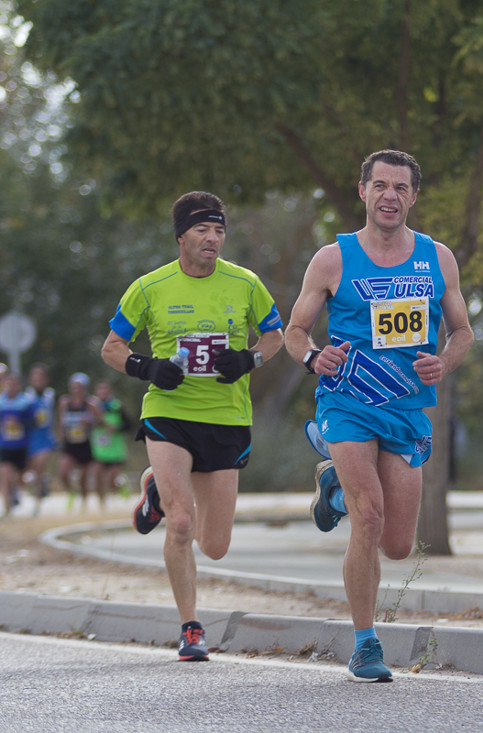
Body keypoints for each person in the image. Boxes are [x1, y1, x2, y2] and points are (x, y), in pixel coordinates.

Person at [285, 149, 473, 683]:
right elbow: (295, 331)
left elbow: (462, 331)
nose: (390, 195)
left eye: (401, 187)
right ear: (363, 191)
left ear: (413, 196)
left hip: (406, 409)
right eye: (381, 185)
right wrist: (313, 357)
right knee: (368, 518)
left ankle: (335, 488)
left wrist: (444, 361)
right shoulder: (333, 259)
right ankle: (365, 643)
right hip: (346, 401)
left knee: (397, 545)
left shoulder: (438, 258)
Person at [101, 191, 284, 661]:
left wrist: (249, 359)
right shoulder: (150, 287)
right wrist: (147, 367)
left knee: (215, 546)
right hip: (169, 413)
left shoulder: (245, 283)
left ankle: (155, 489)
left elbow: (275, 336)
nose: (212, 238)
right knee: (181, 523)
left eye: (219, 230)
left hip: (226, 418)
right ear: (181, 236)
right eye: (202, 229)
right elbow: (112, 348)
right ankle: (191, 628)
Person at [57, 372, 102, 511]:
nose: (77, 389)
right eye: (74, 386)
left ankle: (83, 504)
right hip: (70, 443)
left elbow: (100, 421)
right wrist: (61, 434)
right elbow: (61, 421)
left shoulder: (91, 403)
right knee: (63, 473)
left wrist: (89, 422)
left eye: (79, 386)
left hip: (86, 444)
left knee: (83, 478)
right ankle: (72, 491)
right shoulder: (65, 402)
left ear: (85, 388)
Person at [0, 371, 36, 517]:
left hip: (22, 445)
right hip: (5, 445)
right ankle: (7, 508)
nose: (11, 386)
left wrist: (19, 422)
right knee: (5, 475)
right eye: (9, 383)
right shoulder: (1, 402)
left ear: (19, 385)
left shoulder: (26, 402)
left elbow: (33, 422)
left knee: (20, 478)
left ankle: (17, 491)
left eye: (14, 384)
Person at [25, 363, 59, 515]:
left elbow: (56, 416)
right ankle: (39, 488)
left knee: (40, 467)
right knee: (33, 470)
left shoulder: (50, 395)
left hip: (46, 437)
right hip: (31, 438)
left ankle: (37, 503)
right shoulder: (27, 396)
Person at [91, 379, 131, 502]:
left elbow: (129, 425)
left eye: (105, 390)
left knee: (111, 480)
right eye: (100, 390)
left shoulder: (117, 406)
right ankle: (101, 502)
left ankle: (121, 486)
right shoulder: (92, 408)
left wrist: (116, 428)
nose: (103, 392)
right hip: (100, 450)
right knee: (97, 476)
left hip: (116, 450)